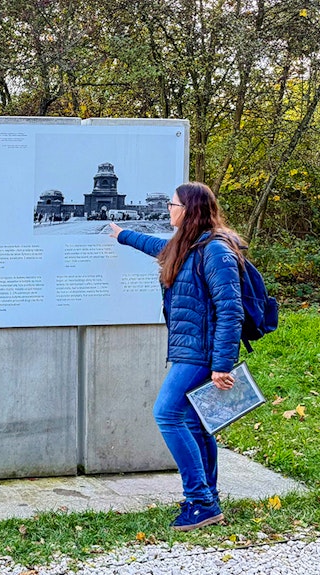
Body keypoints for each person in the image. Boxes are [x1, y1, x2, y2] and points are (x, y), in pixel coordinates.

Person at [108, 181, 245, 532]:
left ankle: (200, 501)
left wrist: (221, 365)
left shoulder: (215, 250)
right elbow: (158, 246)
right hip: (192, 349)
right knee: (195, 423)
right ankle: (207, 498)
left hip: (200, 354)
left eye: (172, 204)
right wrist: (123, 234)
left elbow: (230, 310)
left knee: (167, 413)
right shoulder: (188, 245)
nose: (168, 209)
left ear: (189, 209)